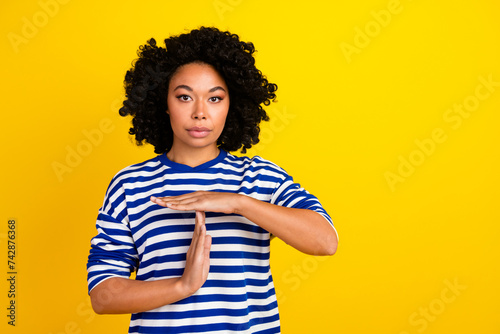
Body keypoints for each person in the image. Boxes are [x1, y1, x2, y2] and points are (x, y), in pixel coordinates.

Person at [86, 26, 338, 334]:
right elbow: (102, 295)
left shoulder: (260, 177)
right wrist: (182, 286)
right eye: (184, 97)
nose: (200, 113)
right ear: (164, 102)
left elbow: (325, 241)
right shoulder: (129, 185)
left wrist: (237, 203)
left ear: (232, 104)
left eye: (215, 98)